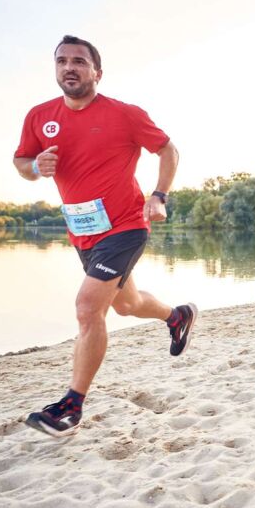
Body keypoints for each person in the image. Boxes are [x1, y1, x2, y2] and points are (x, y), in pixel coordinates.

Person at [13, 35, 198, 437]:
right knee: (128, 305)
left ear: (97, 72)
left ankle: (70, 408)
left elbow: (168, 150)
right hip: (83, 233)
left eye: (79, 61)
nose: (69, 67)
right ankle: (177, 316)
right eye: (62, 61)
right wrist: (35, 167)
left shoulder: (124, 114)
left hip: (126, 225)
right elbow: (21, 161)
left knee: (87, 308)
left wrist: (159, 195)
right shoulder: (39, 116)